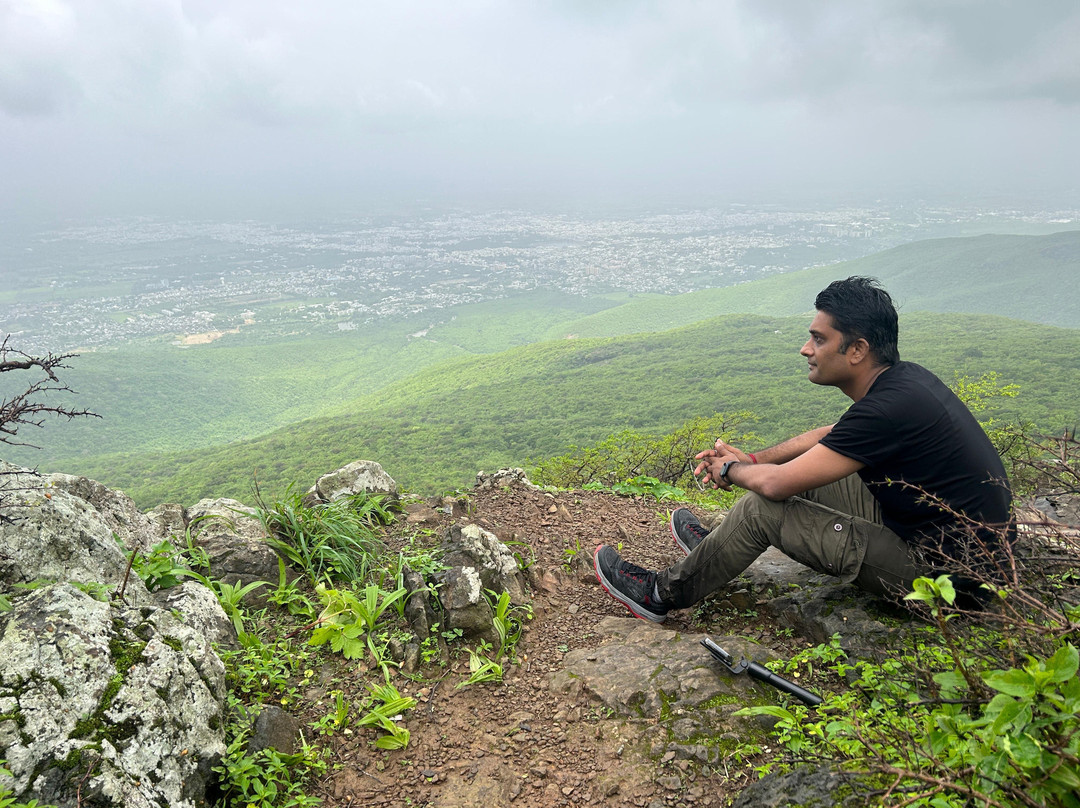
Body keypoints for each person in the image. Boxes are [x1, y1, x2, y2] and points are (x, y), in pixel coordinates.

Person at [593, 276, 1013, 622]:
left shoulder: (887, 408)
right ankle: (720, 548)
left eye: (818, 338)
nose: (805, 349)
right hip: (947, 547)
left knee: (764, 507)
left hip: (947, 585)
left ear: (858, 350)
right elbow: (829, 435)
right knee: (809, 470)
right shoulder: (903, 381)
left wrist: (729, 472)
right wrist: (752, 460)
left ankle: (659, 594)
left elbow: (775, 487)